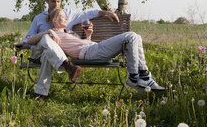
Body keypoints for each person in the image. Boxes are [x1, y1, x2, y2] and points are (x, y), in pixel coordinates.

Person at [14, 0, 119, 100]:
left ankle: (41, 94)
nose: (56, 4)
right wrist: (23, 44)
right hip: (38, 50)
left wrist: (105, 12)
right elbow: (29, 38)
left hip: (55, 53)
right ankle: (67, 65)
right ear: (47, 1)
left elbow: (87, 13)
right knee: (46, 39)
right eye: (53, 1)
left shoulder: (67, 14)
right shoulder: (38, 18)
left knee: (47, 54)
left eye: (59, 1)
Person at [27, 8, 165, 92]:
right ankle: (135, 77)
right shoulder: (54, 34)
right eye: (63, 17)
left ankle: (143, 75)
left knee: (136, 37)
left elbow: (82, 44)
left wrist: (88, 36)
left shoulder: (69, 32)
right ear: (56, 20)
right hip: (90, 52)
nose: (67, 18)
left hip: (92, 48)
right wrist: (49, 32)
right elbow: (32, 39)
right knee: (131, 36)